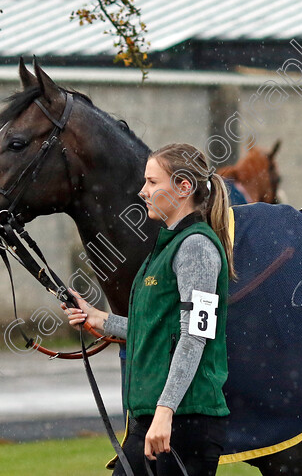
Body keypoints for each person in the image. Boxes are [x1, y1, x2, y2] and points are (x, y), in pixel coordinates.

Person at [62, 143, 236, 476]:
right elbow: (158, 328)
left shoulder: (196, 248)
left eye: (152, 182)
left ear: (183, 187)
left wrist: (165, 411)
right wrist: (100, 318)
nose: (143, 191)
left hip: (183, 424)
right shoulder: (164, 248)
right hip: (152, 420)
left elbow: (194, 337)